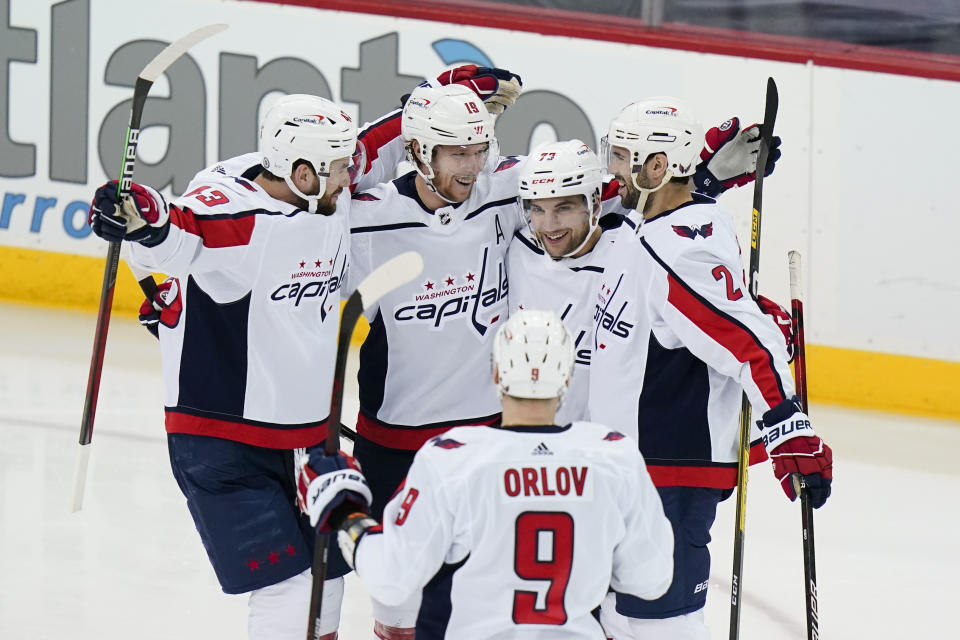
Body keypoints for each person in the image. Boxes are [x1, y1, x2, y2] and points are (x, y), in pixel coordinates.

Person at [87, 93, 403, 640]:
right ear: (302, 173)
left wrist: (436, 96)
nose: (351, 175)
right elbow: (182, 228)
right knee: (288, 589)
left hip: (304, 437)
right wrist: (140, 214)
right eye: (336, 168)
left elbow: (375, 147)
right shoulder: (243, 216)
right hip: (223, 441)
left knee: (326, 578)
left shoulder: (324, 190)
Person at [588, 97, 833, 639]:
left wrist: (788, 424)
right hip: (633, 472)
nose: (613, 170)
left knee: (654, 630)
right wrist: (707, 180)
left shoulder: (675, 252)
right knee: (611, 624)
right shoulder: (649, 220)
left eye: (624, 158)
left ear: (655, 168)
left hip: (666, 478)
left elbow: (747, 341)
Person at [297, 309, 677, 639]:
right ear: (567, 377)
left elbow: (392, 578)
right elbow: (651, 579)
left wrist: (345, 512)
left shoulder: (453, 459)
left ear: (496, 374)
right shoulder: (613, 455)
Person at [508, 127, 784, 425]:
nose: (549, 226)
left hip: (608, 446)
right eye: (537, 209)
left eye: (563, 208)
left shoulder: (640, 249)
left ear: (595, 205)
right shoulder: (516, 249)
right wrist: (708, 179)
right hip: (529, 443)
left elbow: (701, 302)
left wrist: (754, 316)